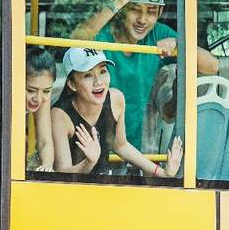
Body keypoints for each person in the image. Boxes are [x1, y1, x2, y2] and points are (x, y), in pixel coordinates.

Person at [72, 0, 218, 151]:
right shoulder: (104, 32)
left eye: (151, 12)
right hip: (94, 149)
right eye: (134, 10)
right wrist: (120, 0)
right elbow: (77, 39)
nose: (142, 19)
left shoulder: (159, 33)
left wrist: (179, 44)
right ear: (123, 9)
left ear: (160, 12)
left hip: (136, 152)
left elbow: (212, 66)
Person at [51, 47, 181, 178]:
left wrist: (163, 173)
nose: (98, 82)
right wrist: (89, 162)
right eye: (88, 75)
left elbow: (121, 145)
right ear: (72, 84)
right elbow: (62, 174)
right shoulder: (59, 116)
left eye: (102, 71)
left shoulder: (116, 99)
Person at [24, 47, 55, 172]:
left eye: (46, 91)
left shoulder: (42, 100)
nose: (38, 98)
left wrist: (46, 166)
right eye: (31, 90)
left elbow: (45, 141)